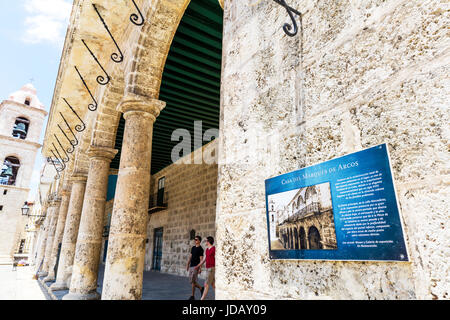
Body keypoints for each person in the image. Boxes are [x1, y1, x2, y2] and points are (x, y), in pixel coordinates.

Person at [195, 236, 215, 300]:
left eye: (206, 241)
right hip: (207, 268)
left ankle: (202, 299)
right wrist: (198, 266)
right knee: (212, 284)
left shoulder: (214, 249)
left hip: (211, 268)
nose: (205, 242)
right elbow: (204, 260)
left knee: (206, 285)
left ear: (208, 241)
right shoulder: (207, 250)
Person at [186, 235, 204, 300]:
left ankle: (192, 296)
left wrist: (200, 268)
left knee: (193, 281)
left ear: (199, 241)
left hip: (196, 266)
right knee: (191, 281)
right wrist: (188, 264)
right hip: (191, 265)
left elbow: (201, 259)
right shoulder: (193, 248)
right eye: (195, 239)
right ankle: (201, 288)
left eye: (196, 239)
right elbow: (190, 257)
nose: (195, 240)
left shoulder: (201, 249)